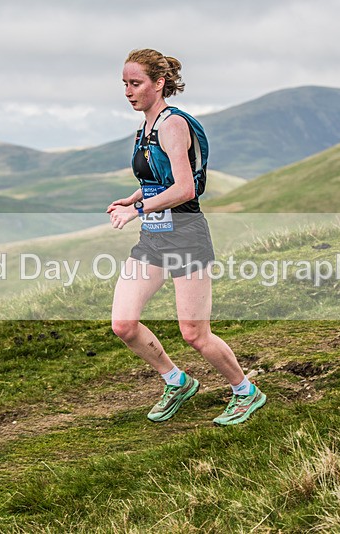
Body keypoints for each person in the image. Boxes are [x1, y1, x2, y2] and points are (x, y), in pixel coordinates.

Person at [107, 48, 266, 426]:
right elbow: (157, 179)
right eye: (124, 84)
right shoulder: (144, 128)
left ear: (159, 83)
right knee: (123, 324)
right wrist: (134, 197)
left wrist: (137, 210)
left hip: (186, 235)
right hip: (154, 238)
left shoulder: (172, 125)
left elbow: (184, 189)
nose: (128, 91)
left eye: (136, 83)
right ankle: (176, 381)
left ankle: (246, 392)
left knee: (194, 333)